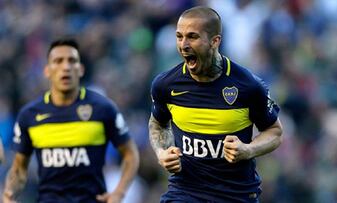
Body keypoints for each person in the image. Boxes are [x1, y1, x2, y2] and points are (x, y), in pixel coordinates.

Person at [149, 6, 283, 203]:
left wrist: (248, 149)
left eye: (192, 37)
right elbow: (157, 123)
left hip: (236, 195)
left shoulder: (248, 86)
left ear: (215, 41)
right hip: (186, 191)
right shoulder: (166, 85)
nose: (183, 45)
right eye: (179, 36)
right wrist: (162, 152)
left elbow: (275, 132)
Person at [3, 38, 139, 203]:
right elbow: (19, 169)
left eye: (72, 61)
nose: (65, 67)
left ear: (80, 69)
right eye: (58, 61)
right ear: (47, 70)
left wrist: (119, 192)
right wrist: (10, 193)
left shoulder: (103, 108)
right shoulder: (30, 115)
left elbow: (130, 154)